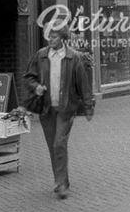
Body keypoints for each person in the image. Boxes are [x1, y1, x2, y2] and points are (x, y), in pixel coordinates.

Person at [23, 26, 94, 199]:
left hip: (66, 109)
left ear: (63, 38)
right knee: (53, 147)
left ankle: (61, 184)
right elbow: (28, 77)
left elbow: (83, 84)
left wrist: (88, 106)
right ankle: (61, 180)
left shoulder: (73, 58)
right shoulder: (41, 56)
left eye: (54, 37)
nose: (50, 40)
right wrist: (36, 87)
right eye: (49, 36)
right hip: (47, 109)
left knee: (59, 144)